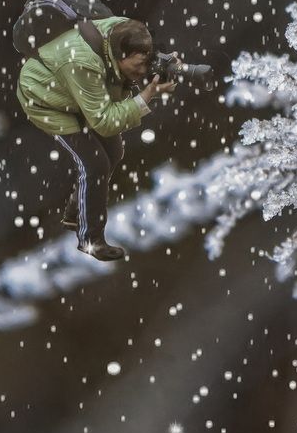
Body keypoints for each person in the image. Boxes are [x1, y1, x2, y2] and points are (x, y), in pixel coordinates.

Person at [15, 16, 177, 261]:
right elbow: (104, 121)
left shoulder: (126, 32)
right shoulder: (84, 64)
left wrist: (164, 62)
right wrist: (145, 98)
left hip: (78, 90)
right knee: (95, 163)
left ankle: (76, 212)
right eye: (140, 65)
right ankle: (90, 239)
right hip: (46, 100)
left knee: (114, 152)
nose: (144, 72)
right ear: (122, 54)